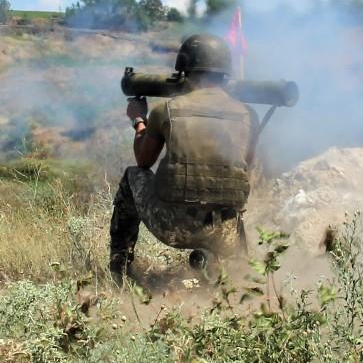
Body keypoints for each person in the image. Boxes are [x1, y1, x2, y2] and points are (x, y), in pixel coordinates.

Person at [109, 33, 258, 279]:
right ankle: (231, 273)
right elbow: (245, 167)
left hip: (172, 226)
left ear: (183, 71)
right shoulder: (248, 115)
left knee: (132, 176)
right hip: (223, 233)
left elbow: (143, 161)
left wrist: (138, 120)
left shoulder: (165, 110)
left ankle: (120, 268)